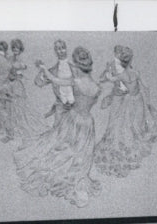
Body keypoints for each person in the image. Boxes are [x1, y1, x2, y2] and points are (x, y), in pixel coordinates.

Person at [18, 45, 101, 208]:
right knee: (81, 154)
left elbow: (54, 79)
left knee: (64, 149)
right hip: (87, 123)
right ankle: (77, 183)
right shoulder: (96, 86)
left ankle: (72, 183)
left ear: (77, 65)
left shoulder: (75, 81)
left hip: (73, 119)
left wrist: (42, 67)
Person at [94, 45, 157, 177]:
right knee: (132, 124)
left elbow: (109, 78)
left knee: (129, 124)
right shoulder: (135, 73)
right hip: (136, 98)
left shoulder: (121, 75)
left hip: (130, 100)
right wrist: (146, 99)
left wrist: (108, 73)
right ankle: (131, 142)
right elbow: (145, 86)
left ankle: (129, 144)